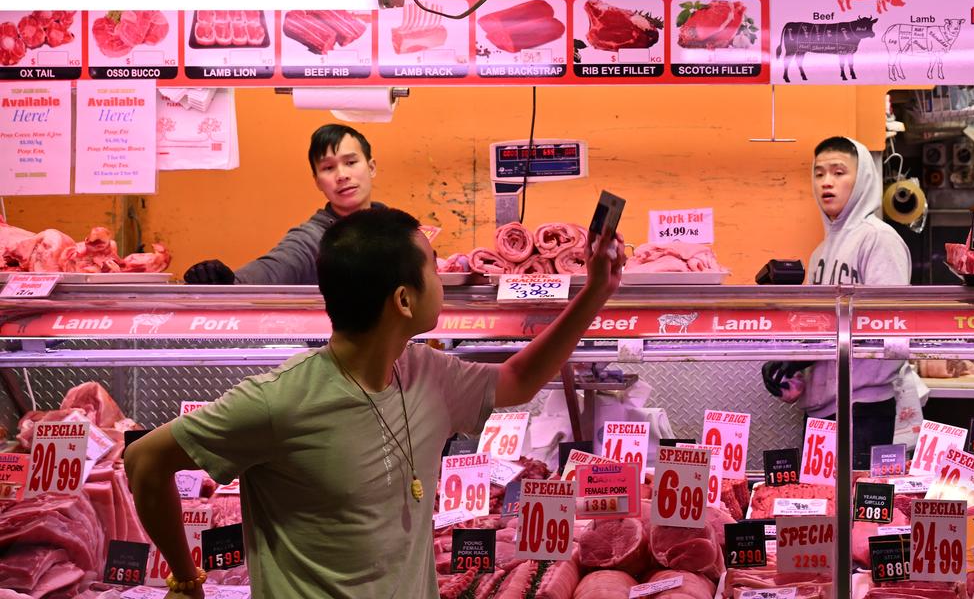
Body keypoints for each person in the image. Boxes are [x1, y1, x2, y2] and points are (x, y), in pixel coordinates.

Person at [125, 207, 626, 598]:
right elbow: (144, 459)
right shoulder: (280, 401)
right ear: (404, 301)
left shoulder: (427, 372)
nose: (443, 281)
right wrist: (186, 583)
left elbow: (518, 378)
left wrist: (596, 292)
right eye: (432, 268)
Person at [763, 136, 912, 469]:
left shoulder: (878, 239)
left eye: (838, 172)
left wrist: (813, 349)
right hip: (821, 411)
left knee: (855, 515)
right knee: (822, 510)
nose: (826, 182)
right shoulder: (819, 254)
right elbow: (818, 328)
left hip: (862, 409)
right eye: (818, 174)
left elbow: (886, 328)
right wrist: (793, 361)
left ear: (861, 180)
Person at [183, 123, 382, 285]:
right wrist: (230, 282)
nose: (342, 176)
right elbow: (275, 267)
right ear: (317, 181)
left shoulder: (401, 230)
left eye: (350, 163)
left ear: (371, 167)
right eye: (328, 167)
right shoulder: (311, 239)